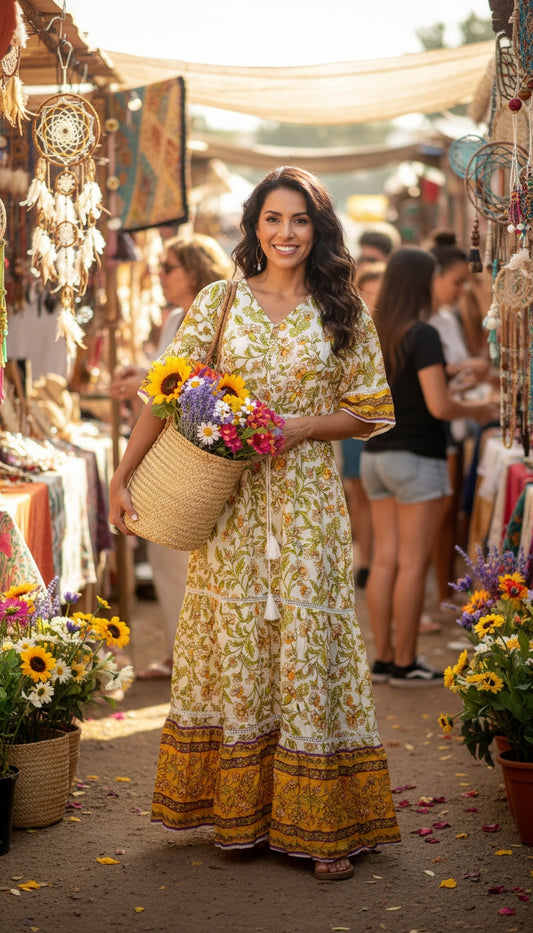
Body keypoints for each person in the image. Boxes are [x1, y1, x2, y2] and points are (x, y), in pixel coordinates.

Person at [109, 166, 401, 879]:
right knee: (238, 642)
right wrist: (122, 474)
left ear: (317, 228)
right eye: (273, 219)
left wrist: (304, 426)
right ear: (254, 227)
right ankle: (241, 813)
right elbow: (166, 393)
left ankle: (323, 825)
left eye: (299, 220)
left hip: (308, 508)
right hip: (230, 508)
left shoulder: (342, 310)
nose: (286, 233)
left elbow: (370, 409)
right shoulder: (219, 302)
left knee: (308, 643)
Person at [360, 247, 499, 687]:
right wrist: (477, 411)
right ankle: (406, 662)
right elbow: (438, 406)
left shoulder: (377, 332)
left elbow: (412, 394)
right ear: (423, 282)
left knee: (385, 562)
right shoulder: (423, 334)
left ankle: (384, 660)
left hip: (377, 456)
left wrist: (452, 383)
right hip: (417, 457)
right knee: (412, 564)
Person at [110, 232, 233, 678]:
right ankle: (177, 653)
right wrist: (144, 377)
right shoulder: (175, 319)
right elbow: (170, 377)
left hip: (194, 459)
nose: (159, 275)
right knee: (166, 558)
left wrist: (144, 382)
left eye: (168, 267)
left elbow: (199, 383)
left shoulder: (218, 314)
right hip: (165, 455)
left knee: (184, 560)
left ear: (195, 269)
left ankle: (192, 660)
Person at [341, 262, 386, 588]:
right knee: (358, 491)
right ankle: (366, 560)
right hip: (351, 421)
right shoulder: (349, 330)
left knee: (377, 495)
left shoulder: (393, 333)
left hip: (385, 424)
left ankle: (378, 558)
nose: (372, 304)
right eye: (366, 295)